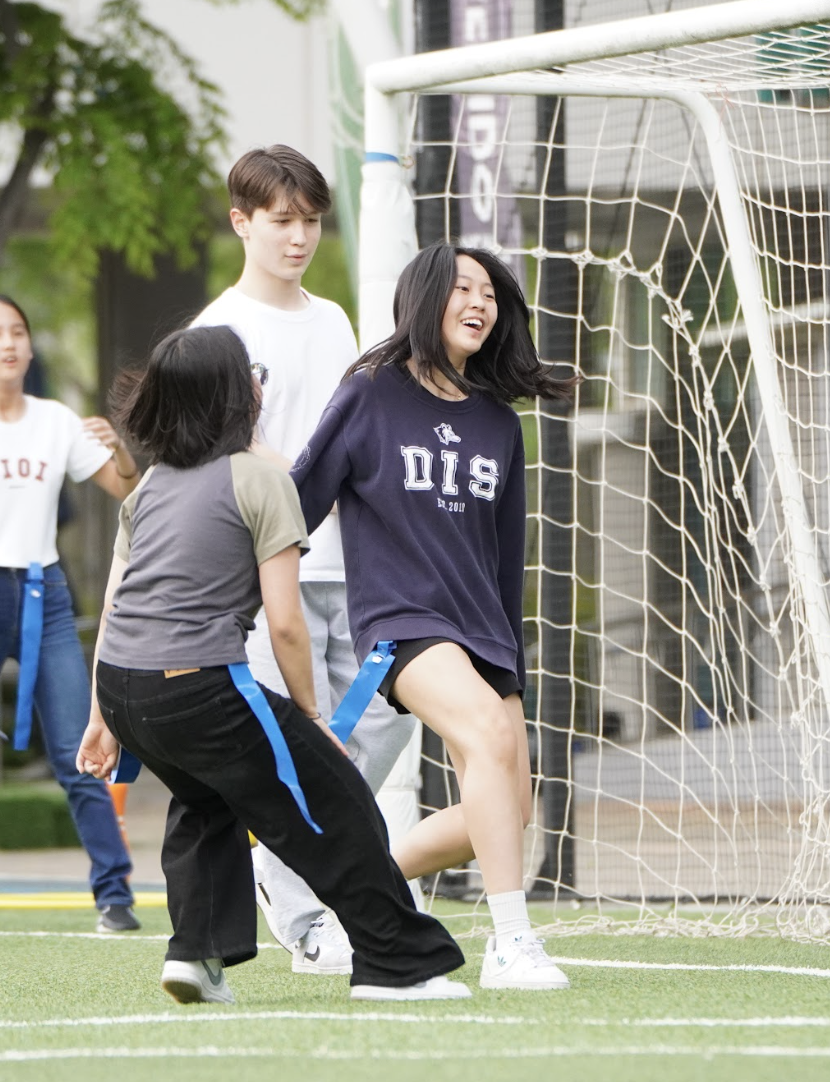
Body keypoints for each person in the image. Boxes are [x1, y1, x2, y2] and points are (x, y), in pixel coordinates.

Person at [75, 324, 469, 1004]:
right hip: (196, 683)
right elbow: (285, 622)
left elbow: (115, 608)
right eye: (248, 372)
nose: (261, 382)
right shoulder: (264, 480)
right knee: (334, 801)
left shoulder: (153, 485)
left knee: (205, 798)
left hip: (125, 687)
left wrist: (103, 717)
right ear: (233, 394)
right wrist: (312, 719)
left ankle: (195, 955)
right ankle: (394, 965)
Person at [290, 243, 579, 991]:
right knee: (483, 734)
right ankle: (510, 943)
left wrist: (508, 660)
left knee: (509, 810)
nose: (479, 303)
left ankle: (353, 899)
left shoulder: (498, 424)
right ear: (424, 297)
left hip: (483, 629)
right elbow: (299, 501)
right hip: (402, 621)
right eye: (462, 289)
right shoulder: (370, 392)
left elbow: (505, 555)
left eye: (489, 292)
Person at [191, 144, 416, 975]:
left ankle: (316, 879)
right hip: (259, 580)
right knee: (287, 748)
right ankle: (302, 914)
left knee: (384, 722)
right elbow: (209, 460)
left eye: (311, 222)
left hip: (356, 568)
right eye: (281, 221)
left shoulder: (334, 321)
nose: (298, 238)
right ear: (241, 221)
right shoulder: (215, 331)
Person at [0, 294, 140, 933]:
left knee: (74, 747)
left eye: (18, 332)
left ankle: (113, 896)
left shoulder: (55, 421)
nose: (9, 343)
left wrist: (121, 449)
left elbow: (129, 490)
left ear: (30, 349)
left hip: (42, 594)